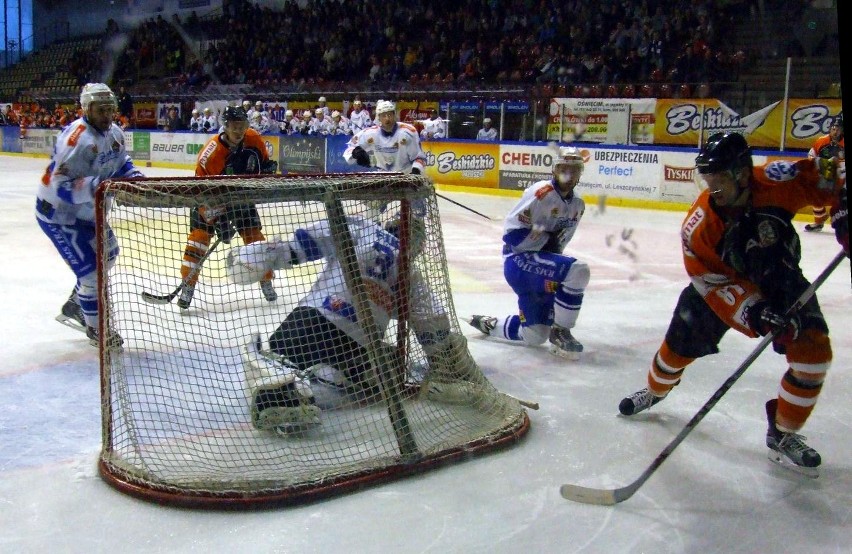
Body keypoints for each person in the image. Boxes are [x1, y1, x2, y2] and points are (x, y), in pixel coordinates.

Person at [618, 132, 845, 476]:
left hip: (780, 278)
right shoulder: (700, 226)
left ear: (741, 173)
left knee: (813, 358)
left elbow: (832, 178)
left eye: (718, 178)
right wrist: (753, 311)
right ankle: (655, 390)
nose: (712, 187)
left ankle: (783, 434)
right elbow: (709, 281)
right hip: (719, 285)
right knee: (674, 353)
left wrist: (844, 211)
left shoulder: (775, 180)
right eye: (707, 179)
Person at [226, 211, 479, 430]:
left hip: (314, 318)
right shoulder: (410, 275)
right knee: (342, 373)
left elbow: (301, 246)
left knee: (277, 352)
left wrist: (259, 255)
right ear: (418, 247)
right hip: (358, 343)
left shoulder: (364, 229)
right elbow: (432, 323)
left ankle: (281, 391)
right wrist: (444, 359)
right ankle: (321, 383)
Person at [39, 83, 145, 347]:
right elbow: (61, 186)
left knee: (108, 254)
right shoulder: (77, 140)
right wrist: (102, 186)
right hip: (60, 216)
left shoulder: (115, 133)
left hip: (90, 212)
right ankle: (96, 329)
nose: (107, 115)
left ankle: (77, 304)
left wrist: (136, 181)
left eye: (111, 109)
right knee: (91, 274)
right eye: (101, 110)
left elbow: (123, 164)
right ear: (86, 109)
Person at [467, 146, 589, 360]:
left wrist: (552, 254)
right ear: (555, 170)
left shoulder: (578, 205)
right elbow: (511, 235)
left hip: (538, 267)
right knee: (578, 270)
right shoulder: (540, 193)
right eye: (564, 169)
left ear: (580, 174)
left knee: (535, 335)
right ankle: (561, 332)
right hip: (519, 261)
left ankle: (490, 324)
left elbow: (559, 244)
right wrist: (544, 237)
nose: (569, 175)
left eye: (574, 170)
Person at [176, 105, 279, 309]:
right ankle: (188, 285)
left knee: (255, 240)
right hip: (209, 199)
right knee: (198, 241)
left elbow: (264, 165)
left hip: (241, 196)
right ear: (225, 126)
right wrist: (220, 218)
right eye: (234, 126)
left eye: (242, 125)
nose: (239, 131)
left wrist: (266, 173)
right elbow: (201, 192)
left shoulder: (254, 139)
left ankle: (266, 281)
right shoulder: (211, 154)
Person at [343, 100, 426, 174]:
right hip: (383, 176)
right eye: (384, 116)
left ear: (394, 115)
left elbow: (419, 158)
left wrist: (416, 170)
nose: (387, 119)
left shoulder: (408, 132)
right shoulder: (369, 133)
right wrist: (354, 154)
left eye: (390, 115)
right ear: (378, 117)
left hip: (406, 175)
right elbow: (349, 146)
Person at [805, 114, 844, 232]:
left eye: (838, 129)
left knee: (842, 199)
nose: (835, 131)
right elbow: (811, 155)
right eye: (833, 128)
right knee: (814, 192)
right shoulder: (821, 141)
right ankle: (819, 220)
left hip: (842, 176)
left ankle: (843, 222)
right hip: (825, 175)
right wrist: (821, 164)